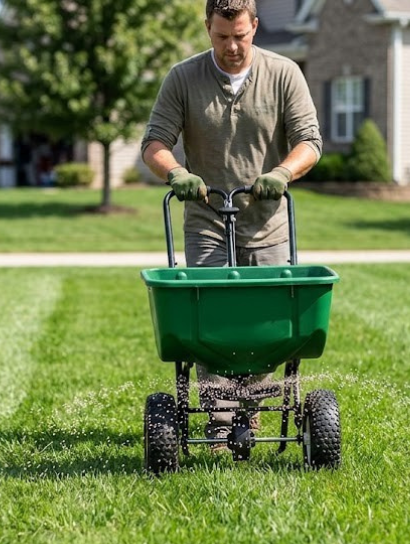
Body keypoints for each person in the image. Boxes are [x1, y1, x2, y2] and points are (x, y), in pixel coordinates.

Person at [141, 0, 322, 448]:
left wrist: (281, 173)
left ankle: (251, 408)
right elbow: (155, 142)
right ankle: (220, 419)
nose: (232, 47)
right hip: (206, 218)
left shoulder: (284, 74)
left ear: (255, 27)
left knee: (268, 326)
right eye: (222, 37)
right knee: (210, 323)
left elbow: (309, 141)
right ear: (207, 28)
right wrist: (176, 173)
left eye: (240, 35)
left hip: (267, 222)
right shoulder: (183, 77)